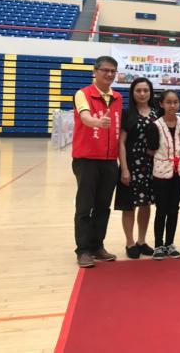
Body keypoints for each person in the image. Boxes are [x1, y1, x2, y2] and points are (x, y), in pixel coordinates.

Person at [71, 55, 122, 268]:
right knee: (85, 207)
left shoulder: (117, 97)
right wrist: (97, 122)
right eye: (105, 70)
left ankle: (97, 246)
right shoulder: (83, 94)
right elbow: (85, 117)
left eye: (112, 71)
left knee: (103, 207)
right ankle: (83, 250)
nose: (109, 74)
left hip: (109, 161)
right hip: (86, 160)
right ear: (95, 71)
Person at [146, 90, 180, 260]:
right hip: (161, 174)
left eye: (175, 102)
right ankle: (158, 245)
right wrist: (165, 158)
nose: (172, 105)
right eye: (169, 102)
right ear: (161, 104)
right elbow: (151, 150)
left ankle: (170, 243)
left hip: (179, 173)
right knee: (161, 209)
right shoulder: (155, 125)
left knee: (174, 209)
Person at [116, 77, 157, 259]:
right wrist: (124, 169)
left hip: (151, 166)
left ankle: (141, 241)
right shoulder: (127, 114)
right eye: (138, 90)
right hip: (132, 164)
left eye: (145, 90)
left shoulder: (157, 113)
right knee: (129, 205)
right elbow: (121, 142)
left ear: (150, 92)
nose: (142, 94)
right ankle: (130, 242)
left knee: (146, 204)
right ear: (132, 93)